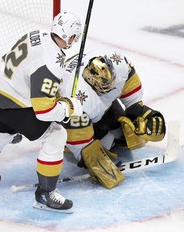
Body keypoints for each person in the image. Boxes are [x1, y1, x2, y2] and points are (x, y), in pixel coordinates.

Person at [0, 12, 83, 212]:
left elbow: (30, 71)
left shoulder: (37, 33)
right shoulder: (51, 65)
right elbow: (44, 111)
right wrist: (67, 108)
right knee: (56, 134)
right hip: (11, 105)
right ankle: (46, 195)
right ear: (70, 37)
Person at [61, 50, 166, 189]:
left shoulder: (120, 65)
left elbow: (132, 100)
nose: (109, 87)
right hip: (67, 120)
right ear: (92, 82)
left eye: (111, 83)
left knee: (123, 133)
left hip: (100, 107)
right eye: (104, 86)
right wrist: (90, 159)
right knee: (105, 144)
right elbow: (76, 135)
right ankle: (66, 145)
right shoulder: (74, 96)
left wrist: (143, 113)